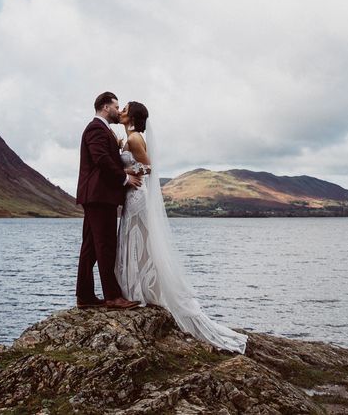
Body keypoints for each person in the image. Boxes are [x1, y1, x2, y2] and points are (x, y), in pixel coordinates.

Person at [115, 101, 248, 353]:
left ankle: (141, 292)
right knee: (134, 239)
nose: (120, 111)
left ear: (132, 116)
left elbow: (149, 167)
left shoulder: (134, 139)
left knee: (139, 240)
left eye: (125, 109)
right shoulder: (130, 137)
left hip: (137, 196)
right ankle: (139, 289)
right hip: (132, 195)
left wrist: (126, 171)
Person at [75, 92, 142, 310]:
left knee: (90, 248)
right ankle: (112, 297)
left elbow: (104, 159)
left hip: (96, 196)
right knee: (106, 247)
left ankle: (84, 296)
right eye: (116, 106)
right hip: (99, 196)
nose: (118, 109)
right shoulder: (96, 128)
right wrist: (124, 178)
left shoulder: (102, 129)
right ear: (105, 107)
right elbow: (101, 159)